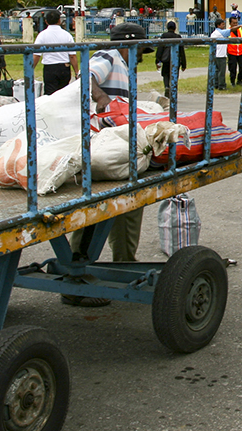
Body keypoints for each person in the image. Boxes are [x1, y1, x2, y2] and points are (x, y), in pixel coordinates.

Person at [63, 22, 149, 307]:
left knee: (127, 206)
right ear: (128, 44)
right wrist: (101, 96)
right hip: (101, 142)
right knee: (98, 210)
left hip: (115, 142)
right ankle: (77, 281)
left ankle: (122, 267)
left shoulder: (125, 65)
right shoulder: (110, 56)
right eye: (139, 50)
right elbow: (84, 77)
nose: (141, 56)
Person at [32, 9, 78, 94]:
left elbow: (36, 55)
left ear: (46, 21)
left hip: (50, 67)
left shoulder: (42, 35)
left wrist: (30, 69)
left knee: (50, 94)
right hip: (64, 67)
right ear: (59, 20)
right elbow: (72, 55)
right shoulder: (67, 35)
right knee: (64, 93)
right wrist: (76, 72)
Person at [155, 20, 187, 95]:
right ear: (175, 28)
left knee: (165, 74)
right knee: (174, 75)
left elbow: (160, 49)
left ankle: (166, 86)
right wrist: (184, 64)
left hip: (165, 59)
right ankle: (173, 90)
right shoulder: (178, 37)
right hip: (176, 59)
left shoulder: (164, 36)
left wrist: (157, 60)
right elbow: (182, 51)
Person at [209, 18, 229, 89]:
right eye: (222, 24)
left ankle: (216, 84)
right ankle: (221, 85)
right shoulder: (220, 33)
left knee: (217, 70)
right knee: (221, 71)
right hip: (221, 54)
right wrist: (239, 26)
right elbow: (231, 30)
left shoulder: (213, 33)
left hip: (215, 54)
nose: (224, 25)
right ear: (218, 25)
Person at [227, 22, 242, 87]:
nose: (235, 25)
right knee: (233, 68)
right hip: (232, 52)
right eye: (233, 23)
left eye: (236, 23)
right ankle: (232, 81)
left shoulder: (240, 30)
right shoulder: (228, 31)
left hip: (240, 52)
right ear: (230, 24)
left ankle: (239, 80)